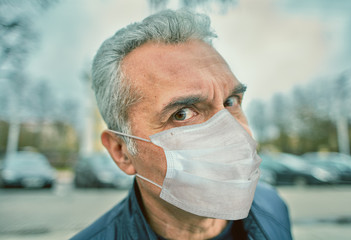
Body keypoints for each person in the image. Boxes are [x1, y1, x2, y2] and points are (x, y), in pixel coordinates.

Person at [71, 9, 292, 240]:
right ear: (122, 152)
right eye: (182, 114)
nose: (234, 134)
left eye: (230, 102)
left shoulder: (272, 208)